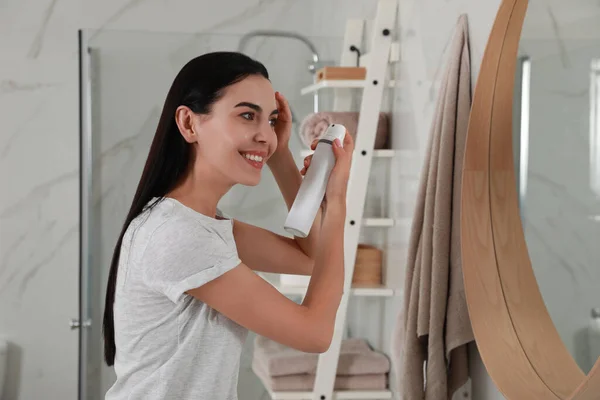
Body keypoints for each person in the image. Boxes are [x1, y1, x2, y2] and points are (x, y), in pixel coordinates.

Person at [102, 51, 354, 400]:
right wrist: (337, 203)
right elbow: (315, 333)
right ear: (189, 124)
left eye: (272, 120)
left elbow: (310, 257)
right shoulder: (178, 235)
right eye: (248, 115)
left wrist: (280, 157)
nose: (265, 134)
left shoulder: (199, 225)